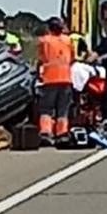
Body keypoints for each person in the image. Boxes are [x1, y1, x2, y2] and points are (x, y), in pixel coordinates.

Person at [36, 16, 75, 145]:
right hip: (65, 79)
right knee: (63, 109)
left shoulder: (44, 41)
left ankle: (46, 133)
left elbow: (41, 59)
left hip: (50, 79)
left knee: (46, 108)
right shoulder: (68, 40)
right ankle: (62, 134)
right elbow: (72, 58)